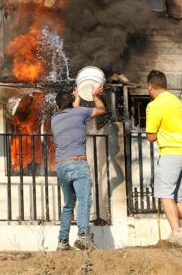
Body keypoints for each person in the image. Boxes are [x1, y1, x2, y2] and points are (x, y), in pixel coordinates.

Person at [52, 85, 106, 251]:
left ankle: (62, 241)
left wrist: (75, 98)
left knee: (69, 204)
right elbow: (101, 110)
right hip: (78, 163)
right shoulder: (80, 112)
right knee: (84, 200)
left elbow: (72, 111)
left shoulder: (54, 118)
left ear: (57, 106)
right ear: (71, 103)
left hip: (61, 166)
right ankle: (83, 237)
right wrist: (95, 95)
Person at [145, 70, 182, 232]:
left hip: (171, 154)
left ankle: (176, 234)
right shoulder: (176, 101)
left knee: (165, 196)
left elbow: (151, 137)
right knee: (178, 197)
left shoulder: (154, 105)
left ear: (149, 86)